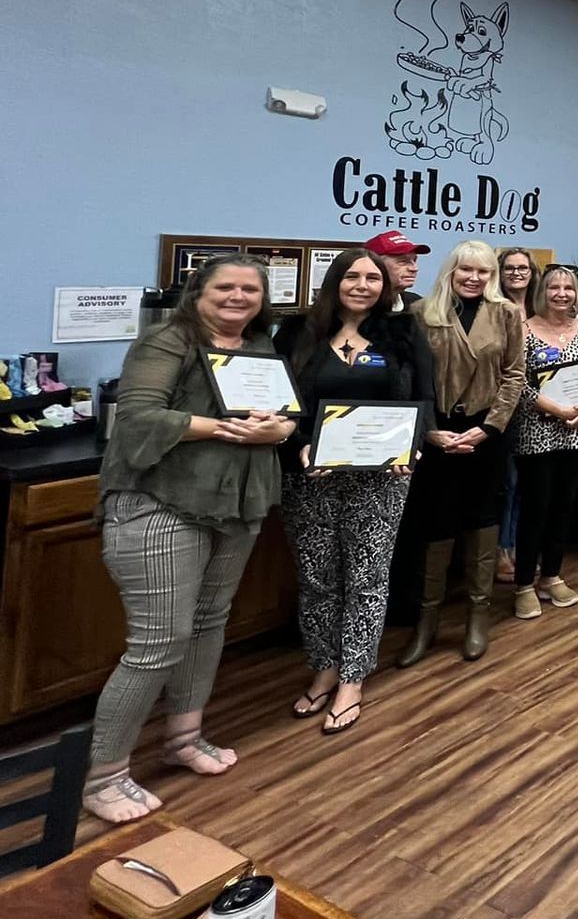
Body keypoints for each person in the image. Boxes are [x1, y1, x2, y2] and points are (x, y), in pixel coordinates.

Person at [83, 255, 291, 822]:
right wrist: (223, 427)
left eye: (250, 289)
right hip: (161, 504)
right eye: (225, 286)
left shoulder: (260, 346)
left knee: (207, 623)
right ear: (198, 292)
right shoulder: (166, 342)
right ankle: (103, 776)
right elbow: (139, 417)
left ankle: (183, 739)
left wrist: (281, 428)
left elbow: (285, 413)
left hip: (236, 505)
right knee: (157, 643)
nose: (238, 297)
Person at [273, 250, 435, 735]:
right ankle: (323, 666)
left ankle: (352, 678)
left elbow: (424, 395)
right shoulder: (299, 332)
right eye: (352, 276)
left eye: (372, 277)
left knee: (367, 577)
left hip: (381, 477)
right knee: (318, 578)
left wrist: (414, 444)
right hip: (311, 474)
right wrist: (300, 446)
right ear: (335, 280)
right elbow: (283, 401)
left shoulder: (403, 333)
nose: (362, 285)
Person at [401, 241, 523, 667]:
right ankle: (427, 622)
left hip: (485, 433)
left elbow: (514, 376)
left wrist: (489, 427)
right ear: (451, 271)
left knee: (482, 519)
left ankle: (477, 616)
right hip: (438, 436)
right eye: (465, 270)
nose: (474, 278)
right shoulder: (422, 313)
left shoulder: (506, 314)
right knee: (435, 524)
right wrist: (430, 432)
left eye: (483, 272)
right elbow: (413, 379)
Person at [513, 264, 578, 618]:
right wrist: (556, 409)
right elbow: (518, 384)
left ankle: (551, 575)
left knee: (565, 505)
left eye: (568, 288)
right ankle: (523, 584)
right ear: (542, 292)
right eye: (554, 287)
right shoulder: (525, 330)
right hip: (538, 432)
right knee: (536, 508)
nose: (561, 293)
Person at [492, 246, 536, 583]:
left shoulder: (539, 308)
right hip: (503, 408)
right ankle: (500, 549)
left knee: (525, 484)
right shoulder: (492, 308)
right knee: (506, 482)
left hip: (538, 410)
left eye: (523, 268)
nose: (516, 273)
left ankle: (518, 543)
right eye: (509, 268)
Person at [366, 229, 428, 308]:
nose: (414, 268)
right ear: (376, 265)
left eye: (414, 260)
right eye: (403, 261)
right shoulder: (360, 307)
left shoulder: (417, 305)